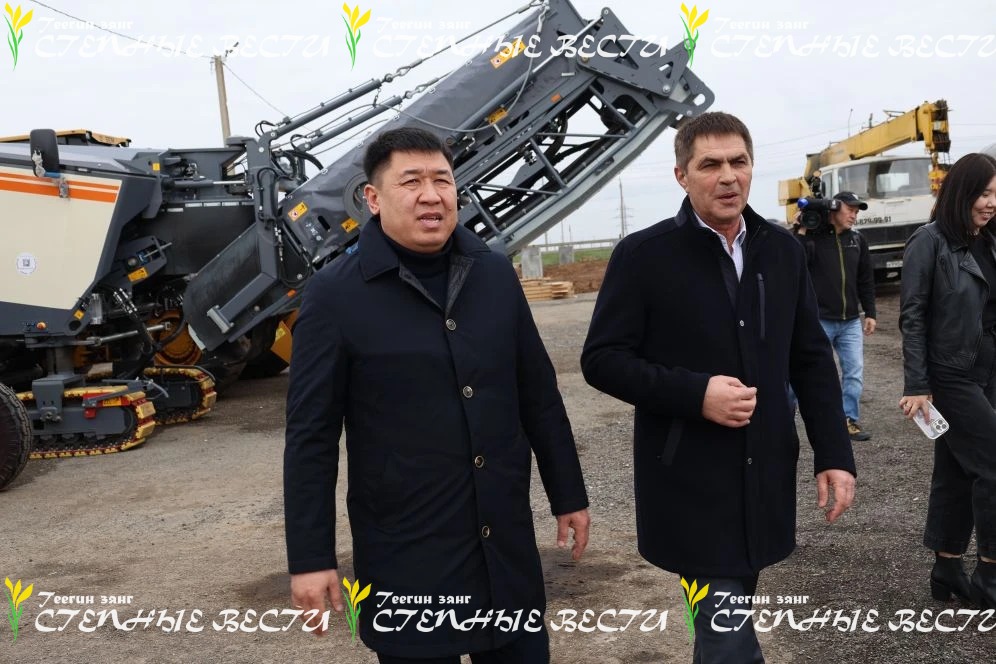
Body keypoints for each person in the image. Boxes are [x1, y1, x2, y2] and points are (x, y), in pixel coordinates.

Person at [284, 127, 591, 662]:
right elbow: (311, 437)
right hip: (407, 554)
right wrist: (311, 558)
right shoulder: (336, 296)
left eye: (442, 181)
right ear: (373, 198)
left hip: (504, 547)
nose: (432, 195)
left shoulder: (493, 273)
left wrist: (568, 493)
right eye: (412, 182)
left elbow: (538, 393)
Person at [580, 111, 856, 662]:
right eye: (710, 165)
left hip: (764, 472)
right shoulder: (644, 256)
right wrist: (696, 394)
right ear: (682, 176)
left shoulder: (782, 251)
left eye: (739, 162)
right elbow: (602, 360)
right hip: (689, 481)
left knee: (723, 623)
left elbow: (809, 359)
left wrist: (834, 454)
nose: (728, 176)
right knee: (729, 635)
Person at [898, 152, 996, 609]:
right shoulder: (929, 242)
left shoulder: (988, 240)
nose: (991, 202)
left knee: (957, 469)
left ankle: (947, 567)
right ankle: (990, 575)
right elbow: (913, 315)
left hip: (987, 369)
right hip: (951, 372)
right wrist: (917, 384)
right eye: (984, 193)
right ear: (961, 192)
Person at [793, 192, 877, 441]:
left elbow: (866, 279)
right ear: (833, 210)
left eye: (857, 212)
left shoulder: (858, 240)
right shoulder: (812, 238)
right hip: (819, 320)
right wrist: (801, 229)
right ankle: (786, 420)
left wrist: (870, 312)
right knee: (809, 372)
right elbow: (793, 264)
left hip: (850, 321)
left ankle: (848, 420)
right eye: (850, 210)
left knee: (854, 373)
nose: (854, 215)